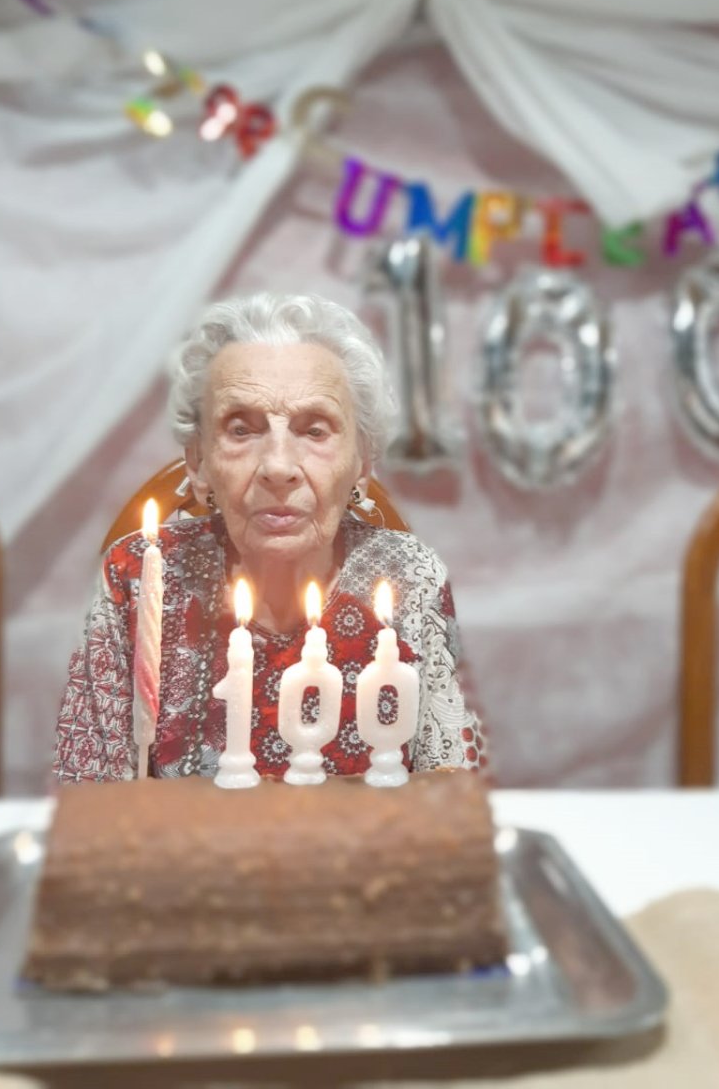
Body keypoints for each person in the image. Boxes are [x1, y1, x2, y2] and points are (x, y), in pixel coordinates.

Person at [54, 292, 486, 781]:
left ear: (362, 464)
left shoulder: (411, 578)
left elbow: (454, 794)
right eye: (241, 429)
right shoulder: (134, 578)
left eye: (315, 430)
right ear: (198, 463)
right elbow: (87, 799)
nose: (278, 467)